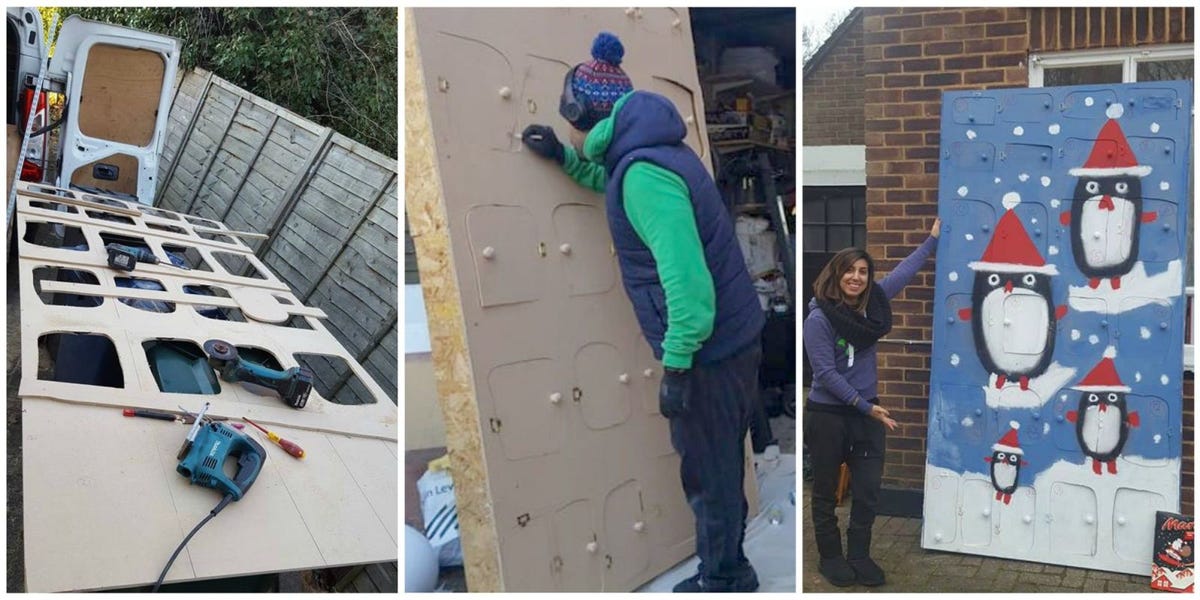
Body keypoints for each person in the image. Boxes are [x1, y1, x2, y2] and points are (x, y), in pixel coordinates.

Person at [521, 32, 766, 593]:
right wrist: (562, 158)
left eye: (572, 121)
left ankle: (724, 577)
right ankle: (736, 566)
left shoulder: (645, 174)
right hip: (732, 340)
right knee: (723, 462)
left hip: (710, 350)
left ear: (586, 112)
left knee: (708, 473)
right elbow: (612, 183)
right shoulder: (647, 154)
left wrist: (678, 365)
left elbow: (688, 284)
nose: (572, 128)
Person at [803, 218, 940, 587]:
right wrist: (866, 407)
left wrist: (931, 241)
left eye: (863, 271)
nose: (856, 277)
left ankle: (859, 555)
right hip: (829, 415)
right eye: (849, 270)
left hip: (866, 413)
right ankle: (831, 557)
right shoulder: (818, 319)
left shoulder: (873, 305)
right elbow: (826, 374)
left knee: (867, 490)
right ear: (836, 275)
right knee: (826, 493)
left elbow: (904, 273)